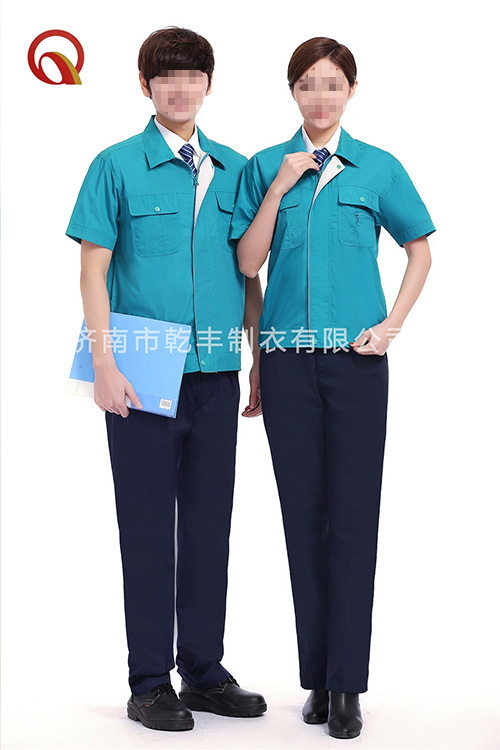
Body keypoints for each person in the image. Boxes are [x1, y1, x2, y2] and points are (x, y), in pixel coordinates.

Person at [230, 36, 436, 740]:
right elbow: (247, 263)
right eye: (307, 85)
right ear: (292, 92)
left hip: (356, 364)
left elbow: (420, 249)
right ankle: (316, 678)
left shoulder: (377, 167)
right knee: (302, 519)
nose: (320, 98)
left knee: (351, 521)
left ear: (351, 91)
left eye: (333, 85)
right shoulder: (265, 165)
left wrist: (391, 326)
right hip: (287, 362)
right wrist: (279, 188)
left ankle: (347, 685)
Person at [65, 26, 266, 733]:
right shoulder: (116, 165)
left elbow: (247, 273)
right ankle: (149, 681)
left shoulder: (235, 169)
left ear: (208, 84)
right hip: (142, 371)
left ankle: (203, 671)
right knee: (149, 529)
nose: (180, 89)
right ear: (145, 85)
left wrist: (259, 358)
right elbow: (92, 270)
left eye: (192, 76)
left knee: (210, 527)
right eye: (166, 77)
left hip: (215, 371)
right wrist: (105, 363)